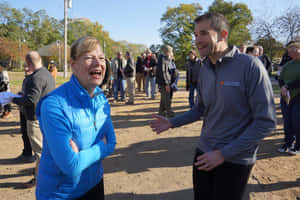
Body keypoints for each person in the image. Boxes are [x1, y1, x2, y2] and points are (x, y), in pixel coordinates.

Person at [150, 13, 276, 200]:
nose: (197, 40)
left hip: (235, 159)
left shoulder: (251, 67)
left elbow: (266, 122)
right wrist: (172, 122)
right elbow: (201, 108)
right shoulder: (205, 67)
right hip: (204, 153)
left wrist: (224, 154)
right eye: (195, 35)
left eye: (203, 34)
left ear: (222, 34)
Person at [35, 36, 116, 199]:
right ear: (73, 65)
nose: (98, 62)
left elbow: (112, 143)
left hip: (95, 183)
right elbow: (71, 166)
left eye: (101, 58)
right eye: (88, 57)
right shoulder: (54, 105)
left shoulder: (101, 99)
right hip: (60, 194)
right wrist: (101, 147)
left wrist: (81, 155)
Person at [10, 51, 56, 188]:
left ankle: (40, 179)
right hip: (45, 116)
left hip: (36, 118)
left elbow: (31, 100)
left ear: (28, 63)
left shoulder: (36, 77)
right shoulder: (47, 74)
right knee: (45, 149)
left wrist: (12, 99)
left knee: (41, 152)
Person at [278, 41, 300, 155]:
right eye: (289, 52)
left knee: (297, 121)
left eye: (293, 51)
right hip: (286, 96)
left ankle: (298, 146)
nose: (291, 54)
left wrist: (287, 86)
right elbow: (280, 78)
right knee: (287, 121)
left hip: (298, 96)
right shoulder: (288, 65)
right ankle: (287, 142)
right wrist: (282, 87)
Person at [16, 64, 34, 162]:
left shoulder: (34, 79)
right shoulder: (25, 79)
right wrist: (21, 94)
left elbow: (32, 97)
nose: (26, 69)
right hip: (23, 109)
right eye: (25, 67)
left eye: (28, 67)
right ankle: (27, 153)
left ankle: (35, 157)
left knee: (32, 134)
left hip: (30, 111)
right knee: (24, 133)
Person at [156, 45, 175, 117]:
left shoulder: (166, 58)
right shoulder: (163, 59)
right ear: (168, 52)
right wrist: (167, 83)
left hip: (165, 82)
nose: (172, 53)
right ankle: (169, 112)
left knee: (163, 98)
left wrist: (171, 59)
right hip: (164, 82)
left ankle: (161, 112)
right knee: (167, 98)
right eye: (171, 51)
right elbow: (164, 72)